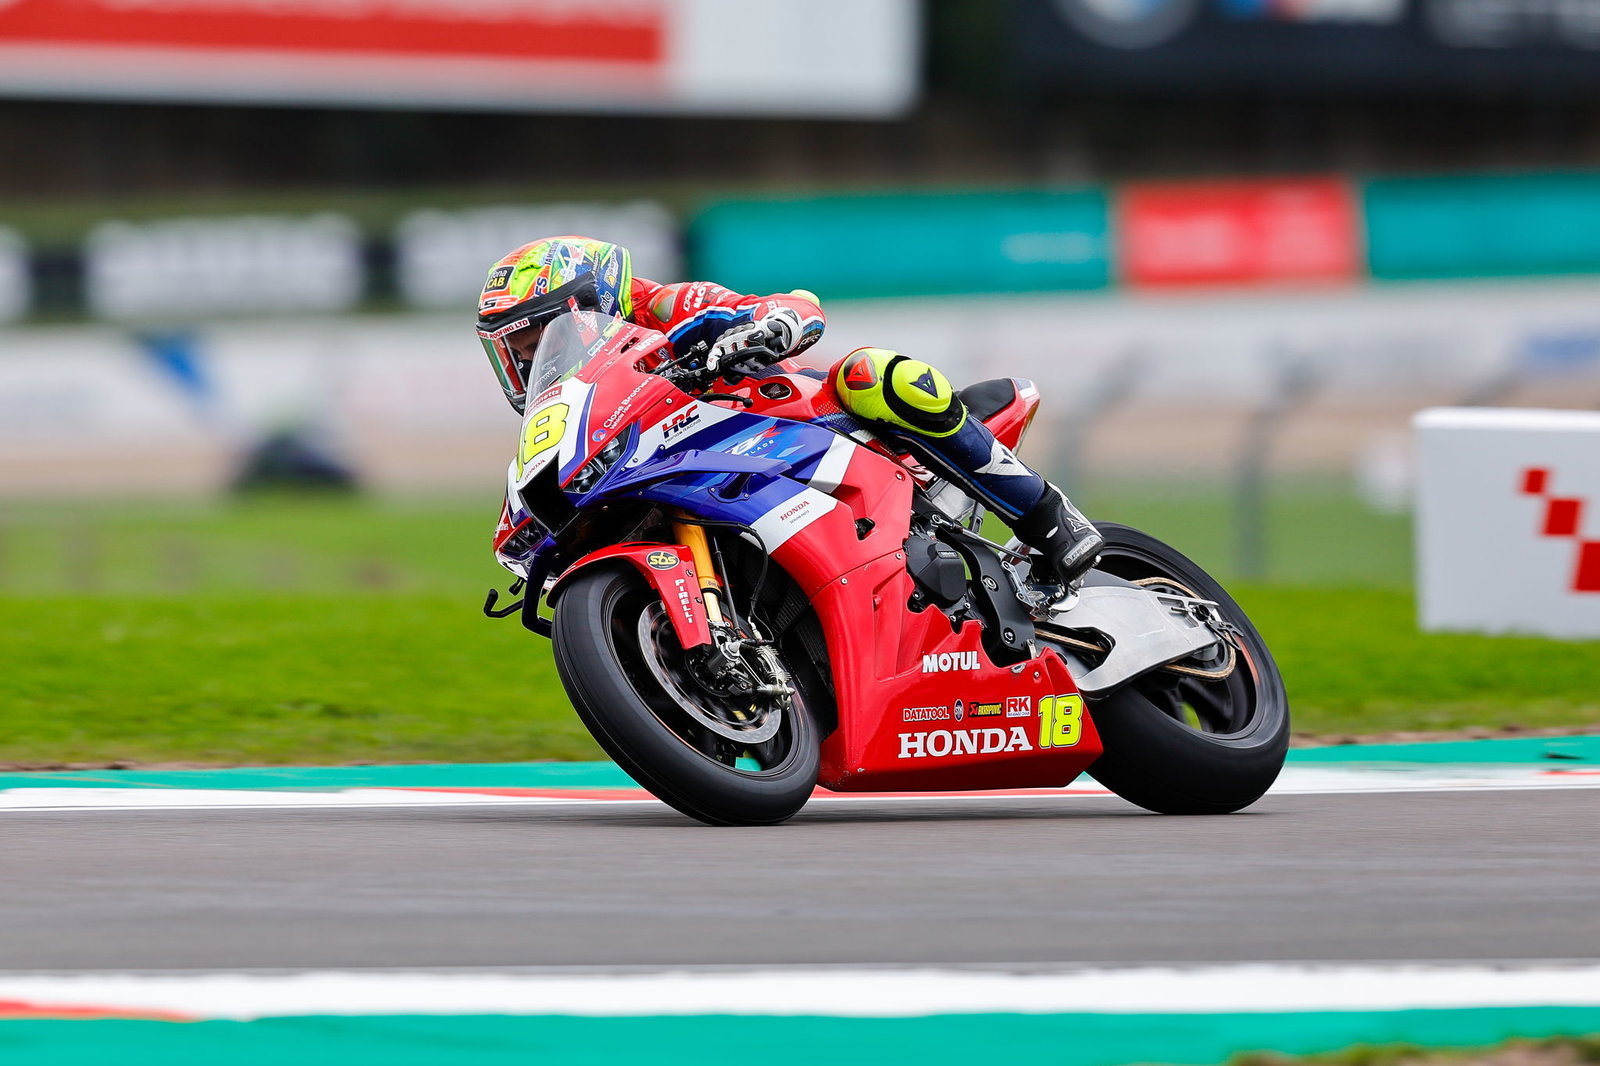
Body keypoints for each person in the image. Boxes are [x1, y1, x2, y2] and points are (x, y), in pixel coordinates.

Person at [476, 235, 1104, 586]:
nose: (530, 361)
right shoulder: (575, 402)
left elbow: (788, 306)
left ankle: (1048, 517)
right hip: (693, 472)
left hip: (793, 422)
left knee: (874, 373)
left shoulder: (663, 305)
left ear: (593, 301)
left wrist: (769, 325)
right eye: (516, 352)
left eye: (537, 338)